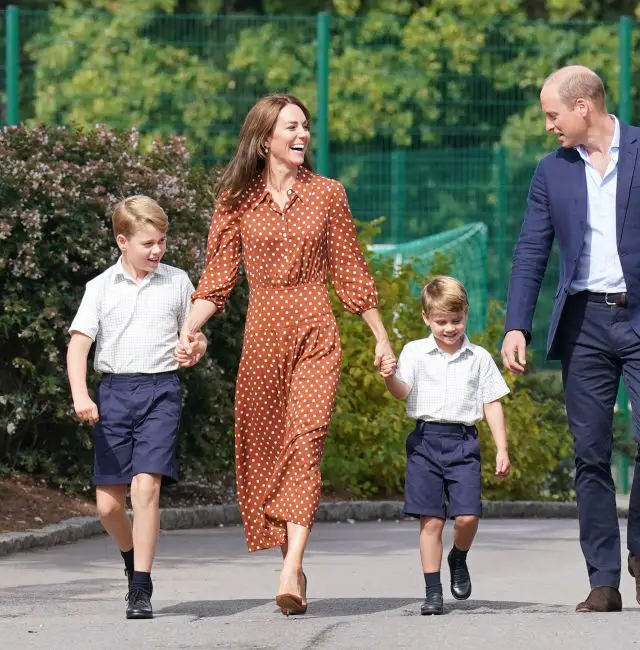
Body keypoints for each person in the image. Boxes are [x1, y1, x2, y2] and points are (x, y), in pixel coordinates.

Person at [501, 65, 640, 613]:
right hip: (585, 325)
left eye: (552, 114)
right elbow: (531, 250)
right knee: (590, 453)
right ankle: (603, 579)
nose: (548, 126)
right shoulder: (552, 171)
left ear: (583, 107)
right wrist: (517, 324)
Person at [178, 93, 396, 616]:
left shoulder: (327, 194)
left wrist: (380, 335)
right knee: (270, 452)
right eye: (291, 127)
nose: (302, 136)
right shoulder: (235, 201)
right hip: (262, 338)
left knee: (306, 442)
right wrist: (189, 329)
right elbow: (216, 279)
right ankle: (294, 565)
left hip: (316, 332)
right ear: (264, 138)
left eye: (305, 127)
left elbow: (349, 269)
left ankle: (288, 566)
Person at [66, 195, 208, 620]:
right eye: (148, 243)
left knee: (146, 485)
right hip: (113, 394)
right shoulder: (100, 287)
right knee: (109, 505)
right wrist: (80, 394)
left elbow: (195, 336)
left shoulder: (178, 282)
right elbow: (78, 346)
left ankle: (141, 588)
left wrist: (196, 346)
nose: (157, 250)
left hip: (161, 391)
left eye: (162, 241)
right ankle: (131, 561)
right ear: (122, 241)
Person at [382, 276, 511, 616]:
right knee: (432, 521)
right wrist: (388, 377)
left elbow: (493, 403)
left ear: (465, 314)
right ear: (426, 318)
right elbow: (402, 392)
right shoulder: (414, 352)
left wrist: (502, 448)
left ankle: (458, 556)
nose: (450, 328)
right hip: (425, 442)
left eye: (456, 320)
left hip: (463, 442)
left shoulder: (479, 358)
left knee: (467, 516)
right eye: (441, 322)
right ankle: (433, 592)